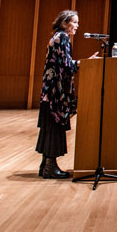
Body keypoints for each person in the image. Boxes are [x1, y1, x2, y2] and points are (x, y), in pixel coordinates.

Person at [35, 10, 97, 179]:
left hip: (49, 91)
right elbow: (66, 66)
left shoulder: (57, 36)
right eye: (74, 22)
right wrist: (85, 63)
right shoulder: (62, 37)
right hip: (56, 93)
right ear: (64, 23)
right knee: (54, 128)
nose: (77, 26)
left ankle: (46, 165)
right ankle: (50, 168)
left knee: (50, 128)